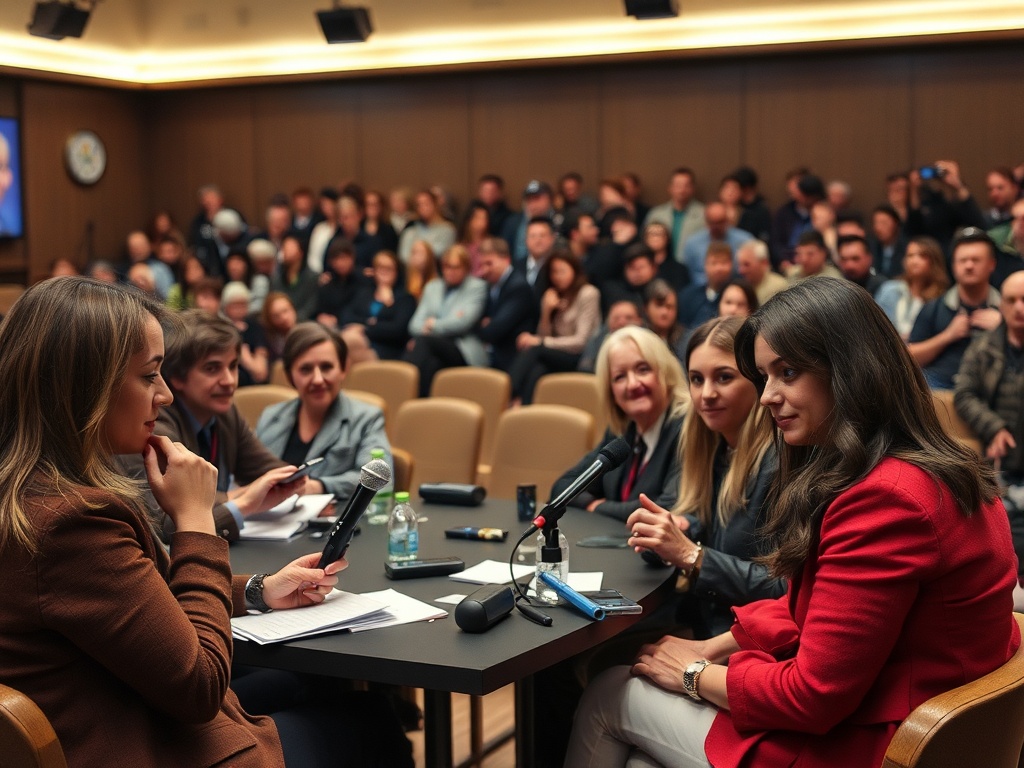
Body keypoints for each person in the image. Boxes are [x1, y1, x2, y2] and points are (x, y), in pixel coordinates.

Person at [565, 276, 1018, 768]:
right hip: (894, 715)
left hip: (872, 745)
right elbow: (811, 607)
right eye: (764, 377)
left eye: (787, 373)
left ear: (849, 369)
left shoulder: (888, 499)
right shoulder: (928, 469)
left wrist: (693, 673)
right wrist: (710, 648)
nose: (767, 397)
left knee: (608, 692)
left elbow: (813, 696)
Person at [0, 276, 413, 767]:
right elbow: (200, 684)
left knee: (333, 695)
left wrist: (260, 589)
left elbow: (138, 601)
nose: (166, 395)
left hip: (118, 716)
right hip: (147, 741)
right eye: (150, 375)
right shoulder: (71, 522)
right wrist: (196, 520)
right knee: (374, 722)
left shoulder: (33, 498)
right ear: (86, 386)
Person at [627, 316, 785, 640]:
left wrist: (692, 555)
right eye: (696, 379)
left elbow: (785, 590)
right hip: (703, 625)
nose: (706, 394)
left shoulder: (780, 461)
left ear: (757, 382)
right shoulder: (707, 448)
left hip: (748, 646)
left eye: (724, 377)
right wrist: (677, 530)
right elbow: (677, 517)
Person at [123, 310, 305, 542]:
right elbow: (169, 524)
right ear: (177, 377)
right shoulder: (154, 424)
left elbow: (270, 472)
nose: (229, 381)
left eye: (233, 366)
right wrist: (241, 499)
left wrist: (294, 481)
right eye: (212, 369)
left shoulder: (225, 413)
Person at [550, 326, 688, 521]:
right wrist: (597, 505)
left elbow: (665, 510)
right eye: (620, 377)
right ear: (611, 391)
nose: (632, 384)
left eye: (643, 369)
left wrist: (596, 506)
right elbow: (563, 487)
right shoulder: (622, 431)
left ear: (665, 372)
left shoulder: (687, 429)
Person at [257, 323, 392, 499]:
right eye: (306, 369)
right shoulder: (271, 416)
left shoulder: (366, 418)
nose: (318, 379)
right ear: (290, 376)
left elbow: (378, 481)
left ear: (343, 369)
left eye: (326, 367)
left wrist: (317, 487)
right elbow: (248, 478)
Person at [908, 227, 1001, 389]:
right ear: (953, 265)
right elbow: (910, 357)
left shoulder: (1008, 307)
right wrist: (948, 336)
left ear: (991, 265)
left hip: (993, 388)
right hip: (941, 387)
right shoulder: (934, 308)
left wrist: (1003, 328)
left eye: (976, 260)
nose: (969, 265)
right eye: (963, 260)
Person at [509, 249, 600, 404]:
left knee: (535, 350)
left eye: (562, 271)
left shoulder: (588, 293)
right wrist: (546, 311)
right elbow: (545, 336)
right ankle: (524, 410)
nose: (557, 276)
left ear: (574, 270)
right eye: (554, 272)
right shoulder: (554, 294)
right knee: (538, 369)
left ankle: (504, 391)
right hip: (557, 354)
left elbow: (581, 341)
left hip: (581, 355)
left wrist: (541, 342)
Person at [403, 244, 488, 397]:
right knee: (431, 365)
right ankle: (419, 406)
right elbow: (414, 324)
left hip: (461, 348)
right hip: (434, 349)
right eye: (447, 267)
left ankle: (403, 389)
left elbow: (462, 324)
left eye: (456, 267)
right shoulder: (433, 287)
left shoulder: (477, 287)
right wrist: (445, 323)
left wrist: (433, 324)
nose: (450, 272)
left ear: (466, 268)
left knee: (423, 342)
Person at [343, 249, 417, 362]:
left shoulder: (405, 299)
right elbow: (346, 316)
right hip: (357, 342)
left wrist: (365, 328)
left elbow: (397, 330)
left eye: (389, 269)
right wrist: (371, 322)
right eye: (380, 267)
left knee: (350, 341)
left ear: (397, 272)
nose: (384, 272)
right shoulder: (364, 293)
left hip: (385, 350)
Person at [874, 236, 949, 340]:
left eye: (922, 256)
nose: (914, 261)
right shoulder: (889, 290)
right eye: (910, 255)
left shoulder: (942, 299)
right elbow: (875, 327)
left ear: (934, 261)